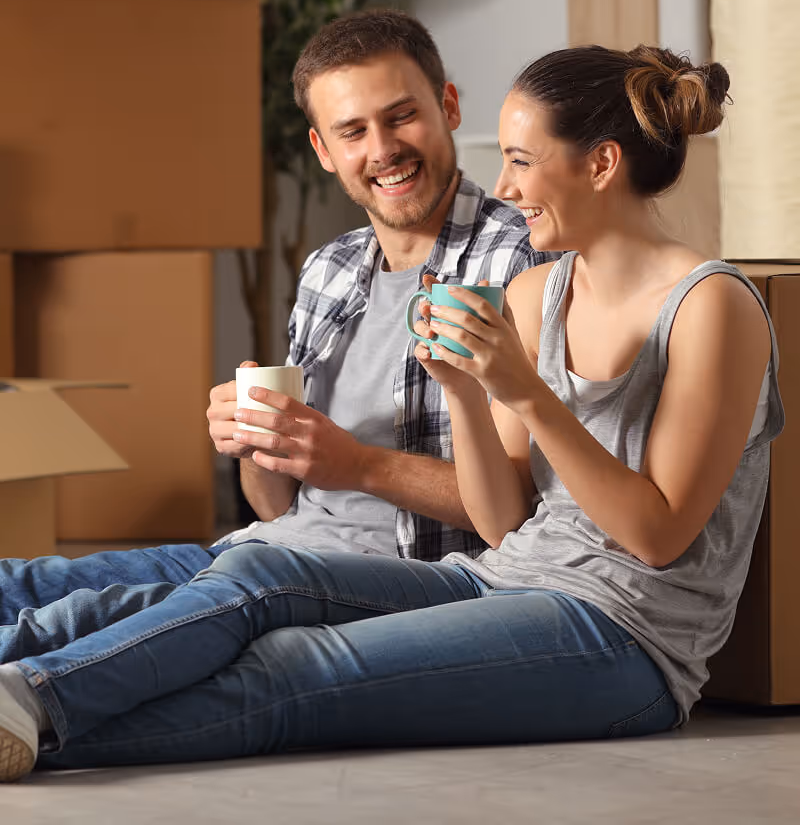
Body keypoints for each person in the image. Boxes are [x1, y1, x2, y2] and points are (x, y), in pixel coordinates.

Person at [0, 44, 783, 782]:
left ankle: (34, 718)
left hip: (622, 638)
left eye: (519, 160)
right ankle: (26, 695)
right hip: (499, 578)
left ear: (602, 163)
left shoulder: (710, 306)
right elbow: (506, 522)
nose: (506, 187)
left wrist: (525, 394)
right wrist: (465, 392)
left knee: (296, 669)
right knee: (264, 571)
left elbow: (657, 535)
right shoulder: (538, 294)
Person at [0, 10, 545, 630]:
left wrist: (356, 464)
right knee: (17, 586)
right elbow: (274, 504)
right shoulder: (328, 270)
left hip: (397, 581)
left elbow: (528, 505)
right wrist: (254, 443)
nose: (382, 149)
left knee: (77, 623)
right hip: (261, 554)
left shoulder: (521, 258)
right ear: (322, 149)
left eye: (401, 116)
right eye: (352, 131)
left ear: (447, 105)